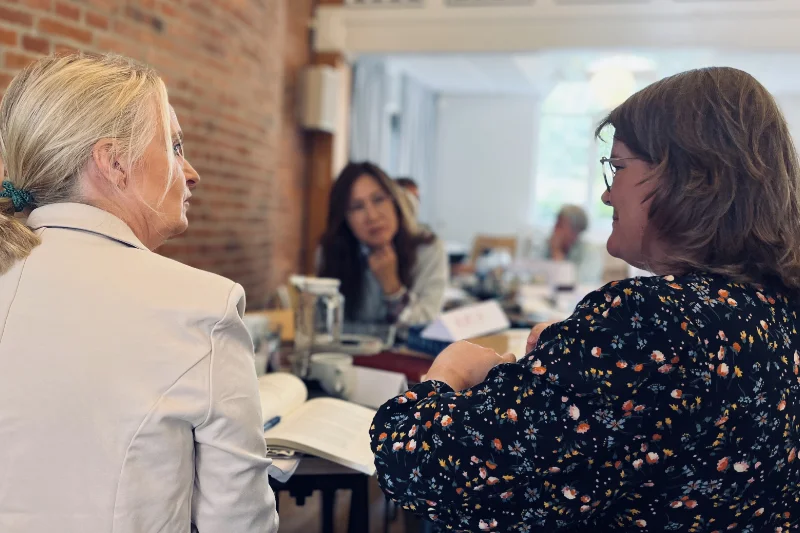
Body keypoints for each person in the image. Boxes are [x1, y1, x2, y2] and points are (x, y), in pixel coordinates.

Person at [371, 67, 800, 531]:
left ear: (691, 178)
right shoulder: (776, 311)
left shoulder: (652, 319)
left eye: (618, 168)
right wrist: (565, 366)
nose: (607, 193)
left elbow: (421, 467)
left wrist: (448, 372)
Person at [0, 54, 277, 532]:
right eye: (173, 145)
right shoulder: (201, 307)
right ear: (115, 163)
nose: (191, 173)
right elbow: (238, 523)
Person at [319, 162, 447, 325]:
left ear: (395, 202)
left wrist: (392, 288)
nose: (372, 216)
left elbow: (426, 326)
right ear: (345, 219)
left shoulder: (428, 249)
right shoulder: (331, 251)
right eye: (357, 207)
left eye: (379, 200)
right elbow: (324, 326)